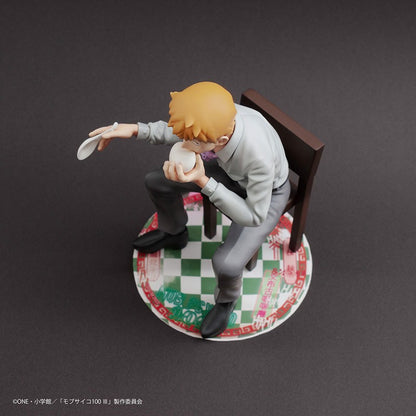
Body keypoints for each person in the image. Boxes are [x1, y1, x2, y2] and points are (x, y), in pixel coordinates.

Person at [89, 81, 290, 338]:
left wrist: (203, 181)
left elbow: (254, 216)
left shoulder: (257, 156)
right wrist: (134, 129)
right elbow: (182, 132)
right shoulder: (216, 116)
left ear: (221, 140)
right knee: (156, 181)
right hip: (230, 172)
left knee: (227, 263)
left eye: (191, 142)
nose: (182, 142)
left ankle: (226, 301)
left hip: (266, 194)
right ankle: (174, 232)